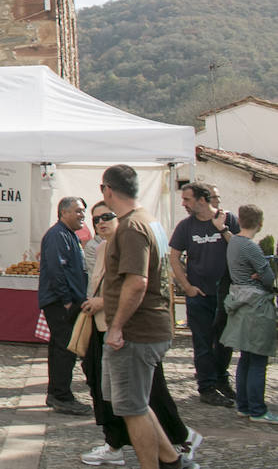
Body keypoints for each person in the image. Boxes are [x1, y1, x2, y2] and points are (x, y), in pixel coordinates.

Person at [80, 201, 201, 466]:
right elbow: (103, 285)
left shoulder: (133, 239)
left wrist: (108, 312)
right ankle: (158, 453)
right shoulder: (101, 248)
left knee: (143, 399)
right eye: (95, 219)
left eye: (106, 216)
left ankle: (176, 444)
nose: (100, 222)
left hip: (132, 332)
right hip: (109, 329)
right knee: (119, 398)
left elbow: (136, 285)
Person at [99, 164, 187, 469]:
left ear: (108, 190)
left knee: (133, 408)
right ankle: (173, 460)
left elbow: (137, 282)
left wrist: (117, 328)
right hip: (151, 326)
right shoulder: (150, 221)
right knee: (137, 404)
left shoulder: (132, 227)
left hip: (136, 332)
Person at [169, 181, 241, 405]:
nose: (184, 204)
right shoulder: (185, 226)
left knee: (225, 342)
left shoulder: (227, 220)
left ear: (202, 199)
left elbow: (240, 248)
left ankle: (221, 379)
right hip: (199, 295)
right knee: (202, 342)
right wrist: (187, 287)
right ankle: (207, 387)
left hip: (226, 293)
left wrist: (223, 229)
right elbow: (173, 257)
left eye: (187, 199)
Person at [221, 204, 277, 423]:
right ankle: (257, 409)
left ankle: (243, 405)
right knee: (258, 360)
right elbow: (269, 278)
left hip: (240, 302)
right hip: (256, 306)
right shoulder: (250, 246)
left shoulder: (234, 242)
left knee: (245, 357)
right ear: (259, 223)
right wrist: (261, 274)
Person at [39, 195, 91, 414]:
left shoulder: (70, 235)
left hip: (67, 300)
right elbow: (56, 270)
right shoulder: (57, 235)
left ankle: (55, 393)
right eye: (78, 211)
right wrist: (68, 300)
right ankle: (62, 396)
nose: (82, 215)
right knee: (65, 348)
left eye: (83, 211)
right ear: (63, 212)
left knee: (61, 347)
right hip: (60, 302)